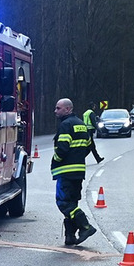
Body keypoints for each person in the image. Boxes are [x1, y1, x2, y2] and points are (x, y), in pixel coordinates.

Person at [51, 98, 98, 246]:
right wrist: (77, 158)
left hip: (65, 171)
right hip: (78, 171)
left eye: (58, 108)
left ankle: (86, 226)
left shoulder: (66, 125)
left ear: (67, 109)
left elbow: (62, 148)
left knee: (64, 203)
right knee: (72, 203)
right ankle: (70, 236)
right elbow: (89, 146)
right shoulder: (82, 125)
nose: (55, 111)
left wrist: (57, 159)